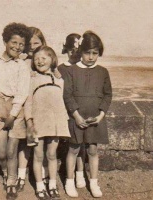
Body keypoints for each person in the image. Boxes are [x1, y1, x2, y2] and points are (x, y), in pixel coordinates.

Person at [63, 31, 112, 198]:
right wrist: (76, 116)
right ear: (81, 52)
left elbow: (107, 94)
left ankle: (93, 181)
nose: (91, 57)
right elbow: (67, 95)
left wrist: (101, 115)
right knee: (73, 149)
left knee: (92, 150)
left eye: (95, 53)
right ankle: (70, 181)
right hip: (76, 117)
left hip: (95, 119)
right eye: (87, 52)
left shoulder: (103, 72)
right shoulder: (72, 70)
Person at [0, 22, 32, 200]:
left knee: (11, 151)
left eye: (21, 44)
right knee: (1, 152)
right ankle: (6, 173)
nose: (17, 47)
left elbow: (22, 92)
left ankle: (11, 182)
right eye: (14, 42)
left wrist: (13, 114)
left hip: (16, 108)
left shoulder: (22, 65)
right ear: (5, 41)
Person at [25, 46, 70, 200]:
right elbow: (28, 103)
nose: (39, 61)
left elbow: (61, 101)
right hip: (38, 123)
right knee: (37, 156)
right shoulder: (32, 79)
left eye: (44, 58)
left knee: (52, 155)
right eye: (36, 59)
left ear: (52, 60)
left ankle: (52, 184)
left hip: (55, 123)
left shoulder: (58, 79)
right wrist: (29, 123)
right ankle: (39, 186)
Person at [16, 26, 48, 192]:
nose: (33, 46)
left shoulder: (45, 60)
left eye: (37, 42)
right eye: (30, 43)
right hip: (25, 106)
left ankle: (41, 173)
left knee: (40, 143)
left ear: (43, 43)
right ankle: (21, 175)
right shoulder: (23, 62)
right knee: (25, 142)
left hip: (41, 108)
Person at [58, 33, 86, 189]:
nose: (74, 54)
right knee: (74, 144)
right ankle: (70, 176)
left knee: (82, 144)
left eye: (77, 50)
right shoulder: (62, 68)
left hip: (83, 110)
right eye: (71, 50)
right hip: (68, 111)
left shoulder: (83, 67)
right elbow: (64, 92)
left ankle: (80, 173)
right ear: (66, 50)